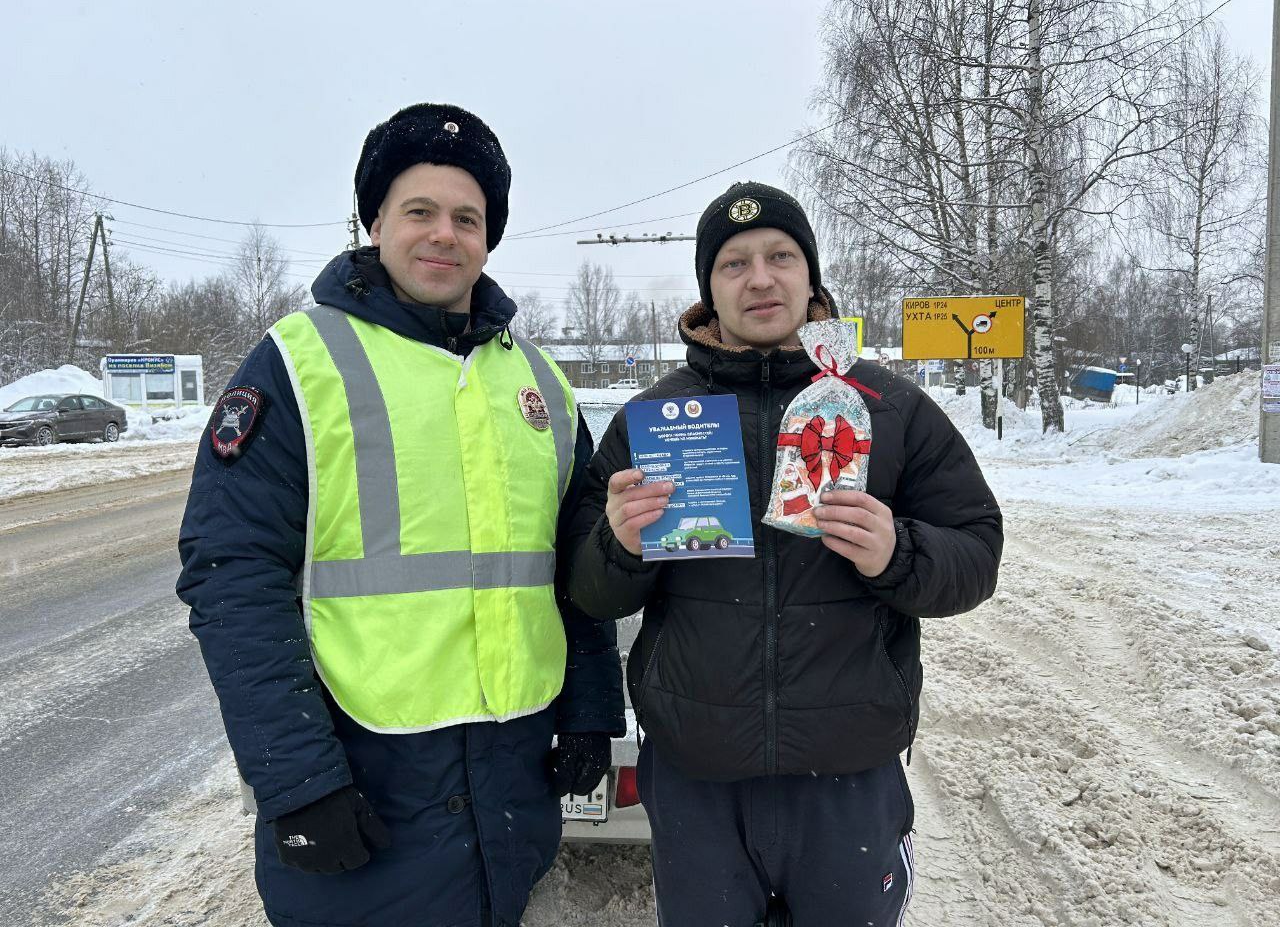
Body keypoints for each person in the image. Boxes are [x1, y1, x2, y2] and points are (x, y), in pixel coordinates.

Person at [177, 103, 624, 927]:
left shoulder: (540, 385)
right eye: (419, 211)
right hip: (365, 775)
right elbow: (230, 577)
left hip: (510, 770)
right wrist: (297, 779)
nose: (443, 235)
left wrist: (591, 707)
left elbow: (570, 563)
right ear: (375, 219)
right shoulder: (296, 365)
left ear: (490, 237)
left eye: (467, 217)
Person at [567, 181, 1003, 926]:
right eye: (734, 263)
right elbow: (587, 590)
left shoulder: (887, 408)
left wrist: (898, 552)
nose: (760, 278)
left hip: (848, 777)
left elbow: (977, 550)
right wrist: (620, 544)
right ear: (709, 288)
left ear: (812, 276)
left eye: (780, 256)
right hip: (698, 778)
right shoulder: (655, 419)